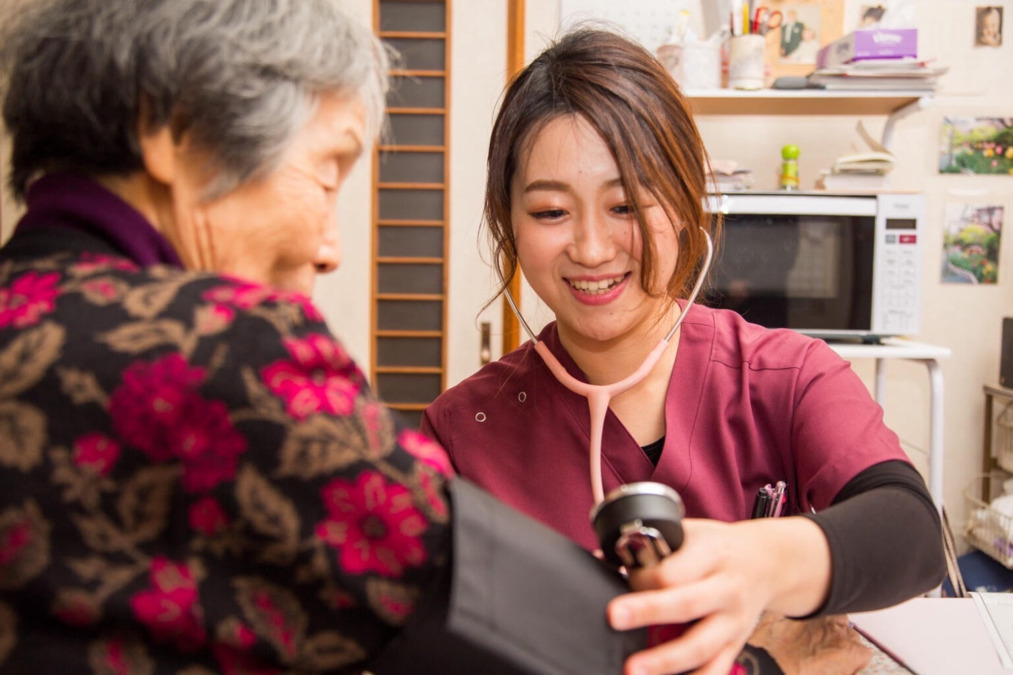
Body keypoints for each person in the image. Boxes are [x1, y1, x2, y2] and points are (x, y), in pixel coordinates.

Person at [0, 3, 643, 673]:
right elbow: (575, 639)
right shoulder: (221, 352)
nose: (331, 247)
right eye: (327, 172)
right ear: (178, 131)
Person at [422, 27, 946, 675]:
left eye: (624, 204)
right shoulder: (460, 433)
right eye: (551, 211)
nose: (590, 248)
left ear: (682, 200)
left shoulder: (786, 376)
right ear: (509, 224)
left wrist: (760, 561)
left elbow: (912, 534)